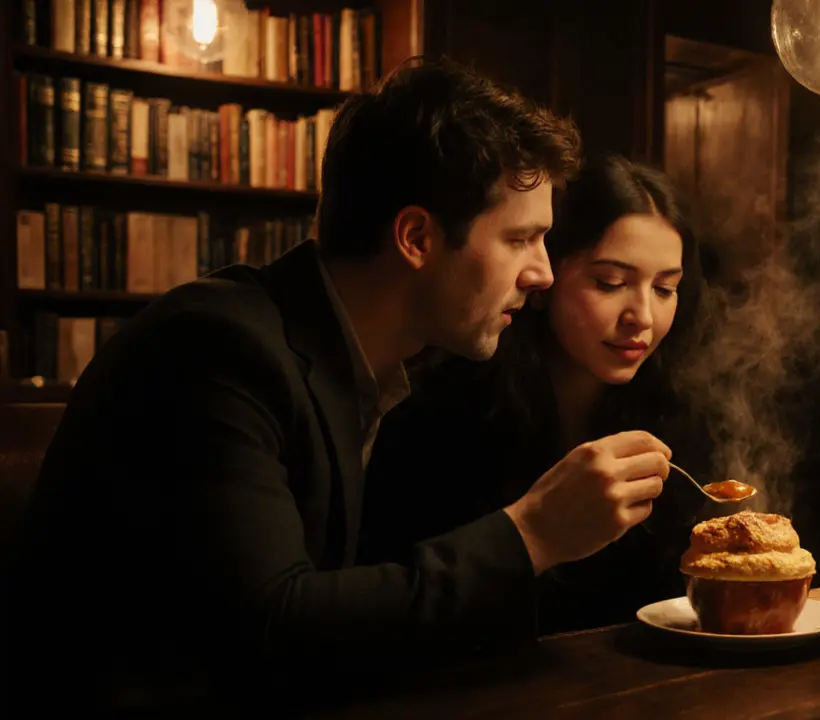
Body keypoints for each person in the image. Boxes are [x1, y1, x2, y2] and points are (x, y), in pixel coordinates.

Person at [0, 60, 673, 713]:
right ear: (416, 237)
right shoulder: (216, 347)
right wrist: (531, 533)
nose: (542, 274)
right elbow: (273, 630)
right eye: (521, 239)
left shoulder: (371, 366)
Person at [361, 155, 715, 635]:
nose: (643, 317)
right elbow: (396, 598)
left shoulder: (677, 413)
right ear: (546, 279)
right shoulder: (446, 408)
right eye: (610, 283)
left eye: (664, 288)